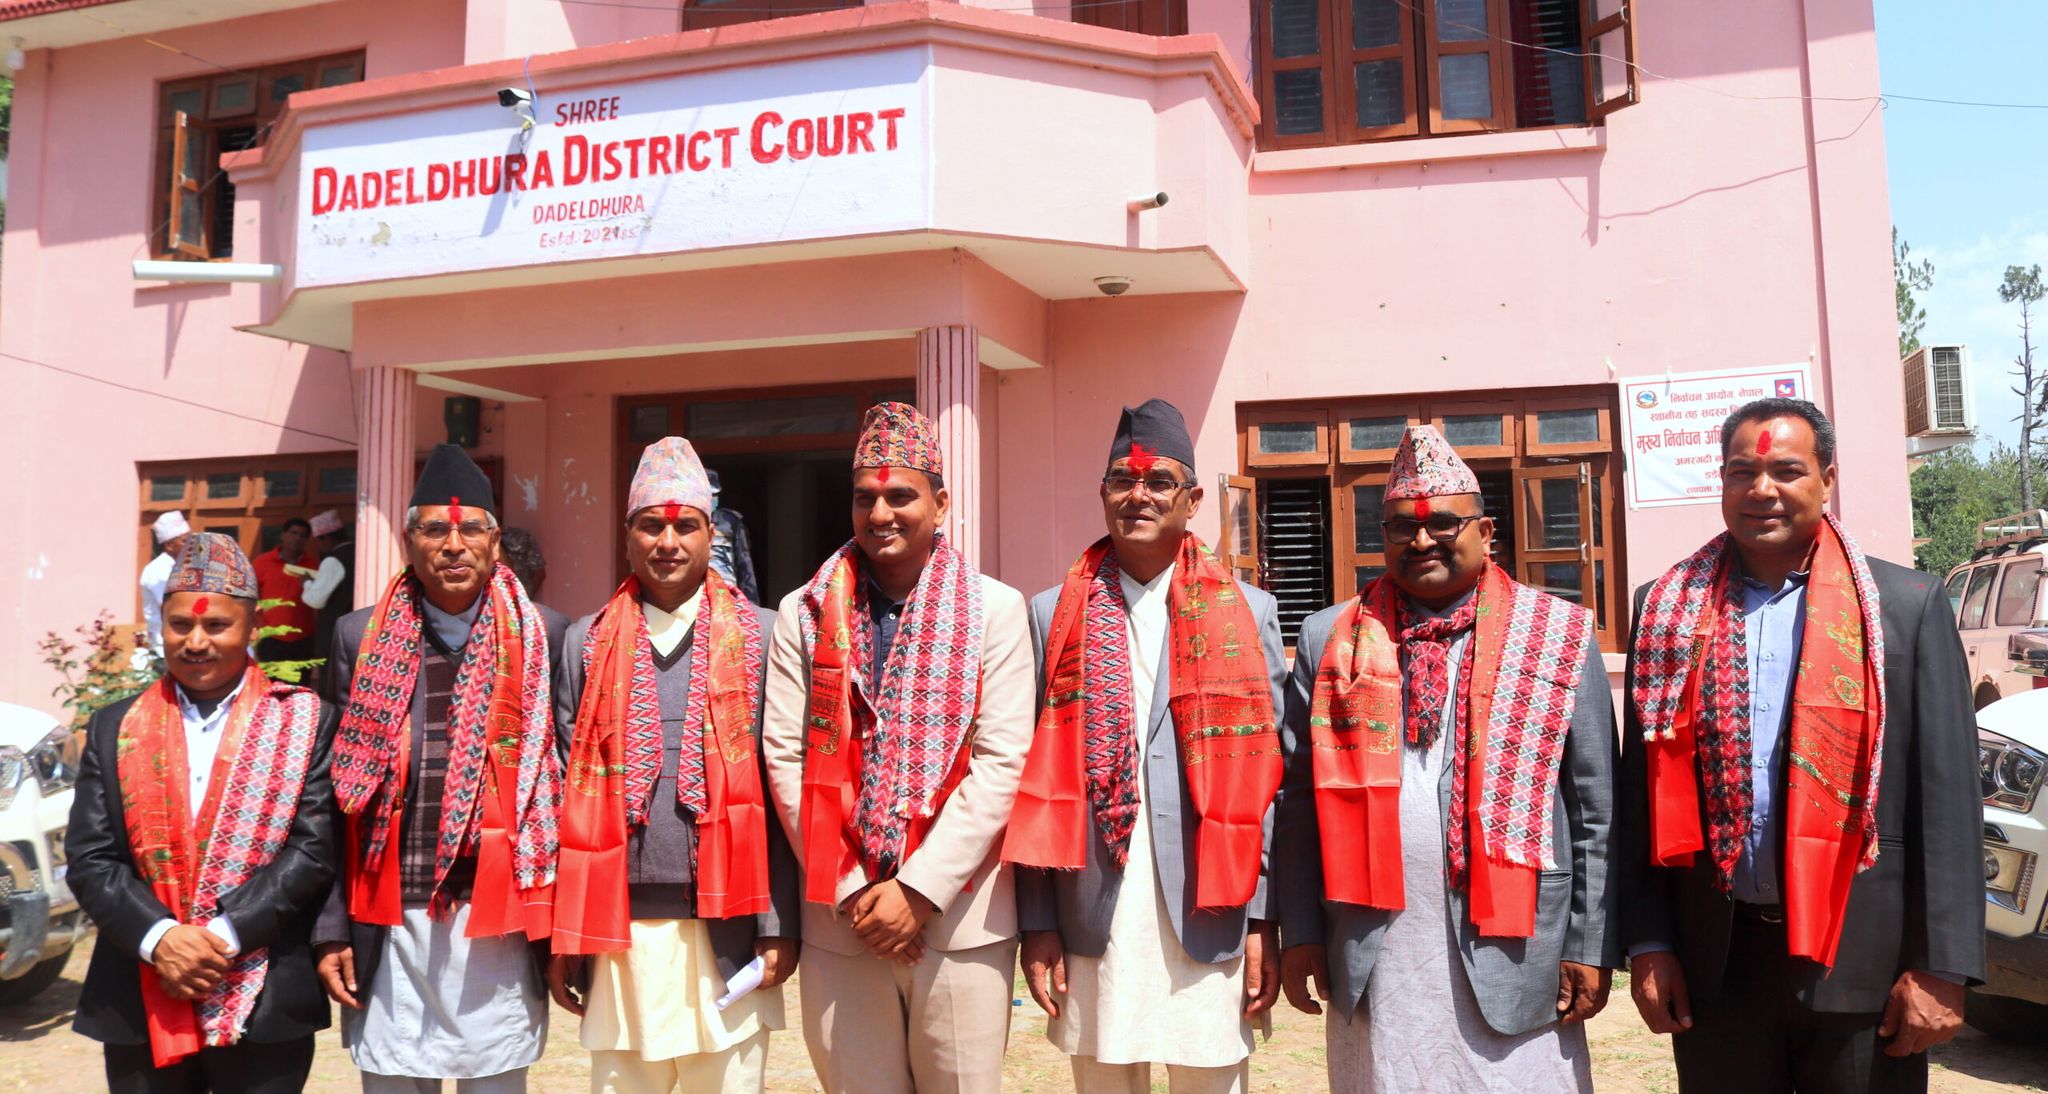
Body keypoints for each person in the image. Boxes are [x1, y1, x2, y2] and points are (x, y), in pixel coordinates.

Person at [1620, 398, 1983, 1093]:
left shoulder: (1903, 605)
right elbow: (1641, 794)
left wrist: (1943, 966)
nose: (1762, 491)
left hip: (1865, 961)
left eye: (1786, 471)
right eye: (1741, 473)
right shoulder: (1666, 608)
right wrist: (1650, 942)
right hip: (1716, 966)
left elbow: (1948, 801)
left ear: (1829, 477)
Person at [1275, 425, 1619, 1094]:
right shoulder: (1329, 638)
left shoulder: (1558, 633)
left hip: (1519, 943)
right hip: (1378, 941)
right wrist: (1302, 932)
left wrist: (1587, 943)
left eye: (1443, 524)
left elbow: (1594, 809)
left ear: (1486, 531)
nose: (1422, 540)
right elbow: (1296, 806)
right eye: (1402, 527)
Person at [1007, 399, 1287, 1093]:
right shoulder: (1050, 613)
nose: (1138, 496)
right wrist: (1039, 922)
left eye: (1158, 481)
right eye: (1121, 481)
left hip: (1211, 904)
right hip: (1094, 908)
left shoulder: (1247, 612)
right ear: (1102, 494)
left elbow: (1271, 783)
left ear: (1192, 500)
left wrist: (1263, 919)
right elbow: (1027, 778)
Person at [760, 402, 1034, 1094]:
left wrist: (918, 891)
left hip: (961, 923)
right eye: (865, 497)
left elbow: (1002, 762)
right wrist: (858, 895)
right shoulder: (806, 613)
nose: (881, 511)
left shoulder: (995, 611)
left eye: (900, 494)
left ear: (941, 504)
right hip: (841, 922)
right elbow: (787, 760)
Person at [314, 443, 570, 1093]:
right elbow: (333, 793)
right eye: (434, 529)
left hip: (498, 918)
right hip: (391, 912)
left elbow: (565, 779)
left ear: (494, 543)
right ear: (407, 542)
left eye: (470, 530)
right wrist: (329, 926)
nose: (453, 546)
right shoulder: (358, 636)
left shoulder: (545, 633)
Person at [550, 436, 800, 1093]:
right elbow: (565, 799)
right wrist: (566, 932)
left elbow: (783, 796)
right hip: (618, 932)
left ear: (709, 534)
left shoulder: (765, 636)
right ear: (626, 536)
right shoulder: (585, 642)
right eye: (650, 525)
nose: (668, 541)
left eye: (685, 524)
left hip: (728, 925)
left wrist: (778, 924)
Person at [67, 533, 337, 1093]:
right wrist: (162, 938)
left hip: (263, 992)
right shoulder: (116, 727)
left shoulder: (303, 722)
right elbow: (91, 858)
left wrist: (220, 936)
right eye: (179, 625)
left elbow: (312, 850)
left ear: (251, 628)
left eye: (216, 626)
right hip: (141, 983)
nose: (195, 641)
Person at [252, 518, 319, 663]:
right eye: (294, 533)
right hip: (270, 636)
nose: (297, 538)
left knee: (301, 684)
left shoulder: (314, 566)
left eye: (302, 535)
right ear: (283, 535)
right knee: (269, 684)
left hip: (303, 638)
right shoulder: (262, 562)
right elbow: (251, 596)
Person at [302, 509, 356, 667]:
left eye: (318, 541)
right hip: (353, 628)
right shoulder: (358, 552)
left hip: (334, 633)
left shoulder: (333, 560)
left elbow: (316, 600)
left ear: (326, 538)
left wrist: (306, 583)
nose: (318, 546)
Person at [141, 509, 191, 658]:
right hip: (165, 648)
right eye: (184, 541)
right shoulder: (157, 571)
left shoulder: (187, 566)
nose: (190, 545)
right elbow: (172, 607)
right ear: (170, 545)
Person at [706, 471, 761, 604]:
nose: (712, 498)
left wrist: (751, 603)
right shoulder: (684, 522)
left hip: (727, 592)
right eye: (708, 494)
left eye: (715, 494)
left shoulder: (730, 521)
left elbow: (744, 563)